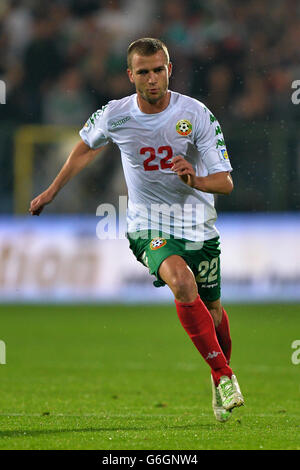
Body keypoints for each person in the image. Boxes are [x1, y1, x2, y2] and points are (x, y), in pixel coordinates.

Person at [29, 37, 244, 422]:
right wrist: (51, 190)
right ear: (130, 75)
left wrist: (195, 180)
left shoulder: (196, 115)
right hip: (148, 224)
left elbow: (225, 182)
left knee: (212, 313)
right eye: (143, 72)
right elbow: (83, 147)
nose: (152, 79)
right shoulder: (116, 115)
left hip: (199, 224)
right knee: (181, 282)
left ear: (169, 70)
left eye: (158, 70)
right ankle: (225, 375)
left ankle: (216, 380)